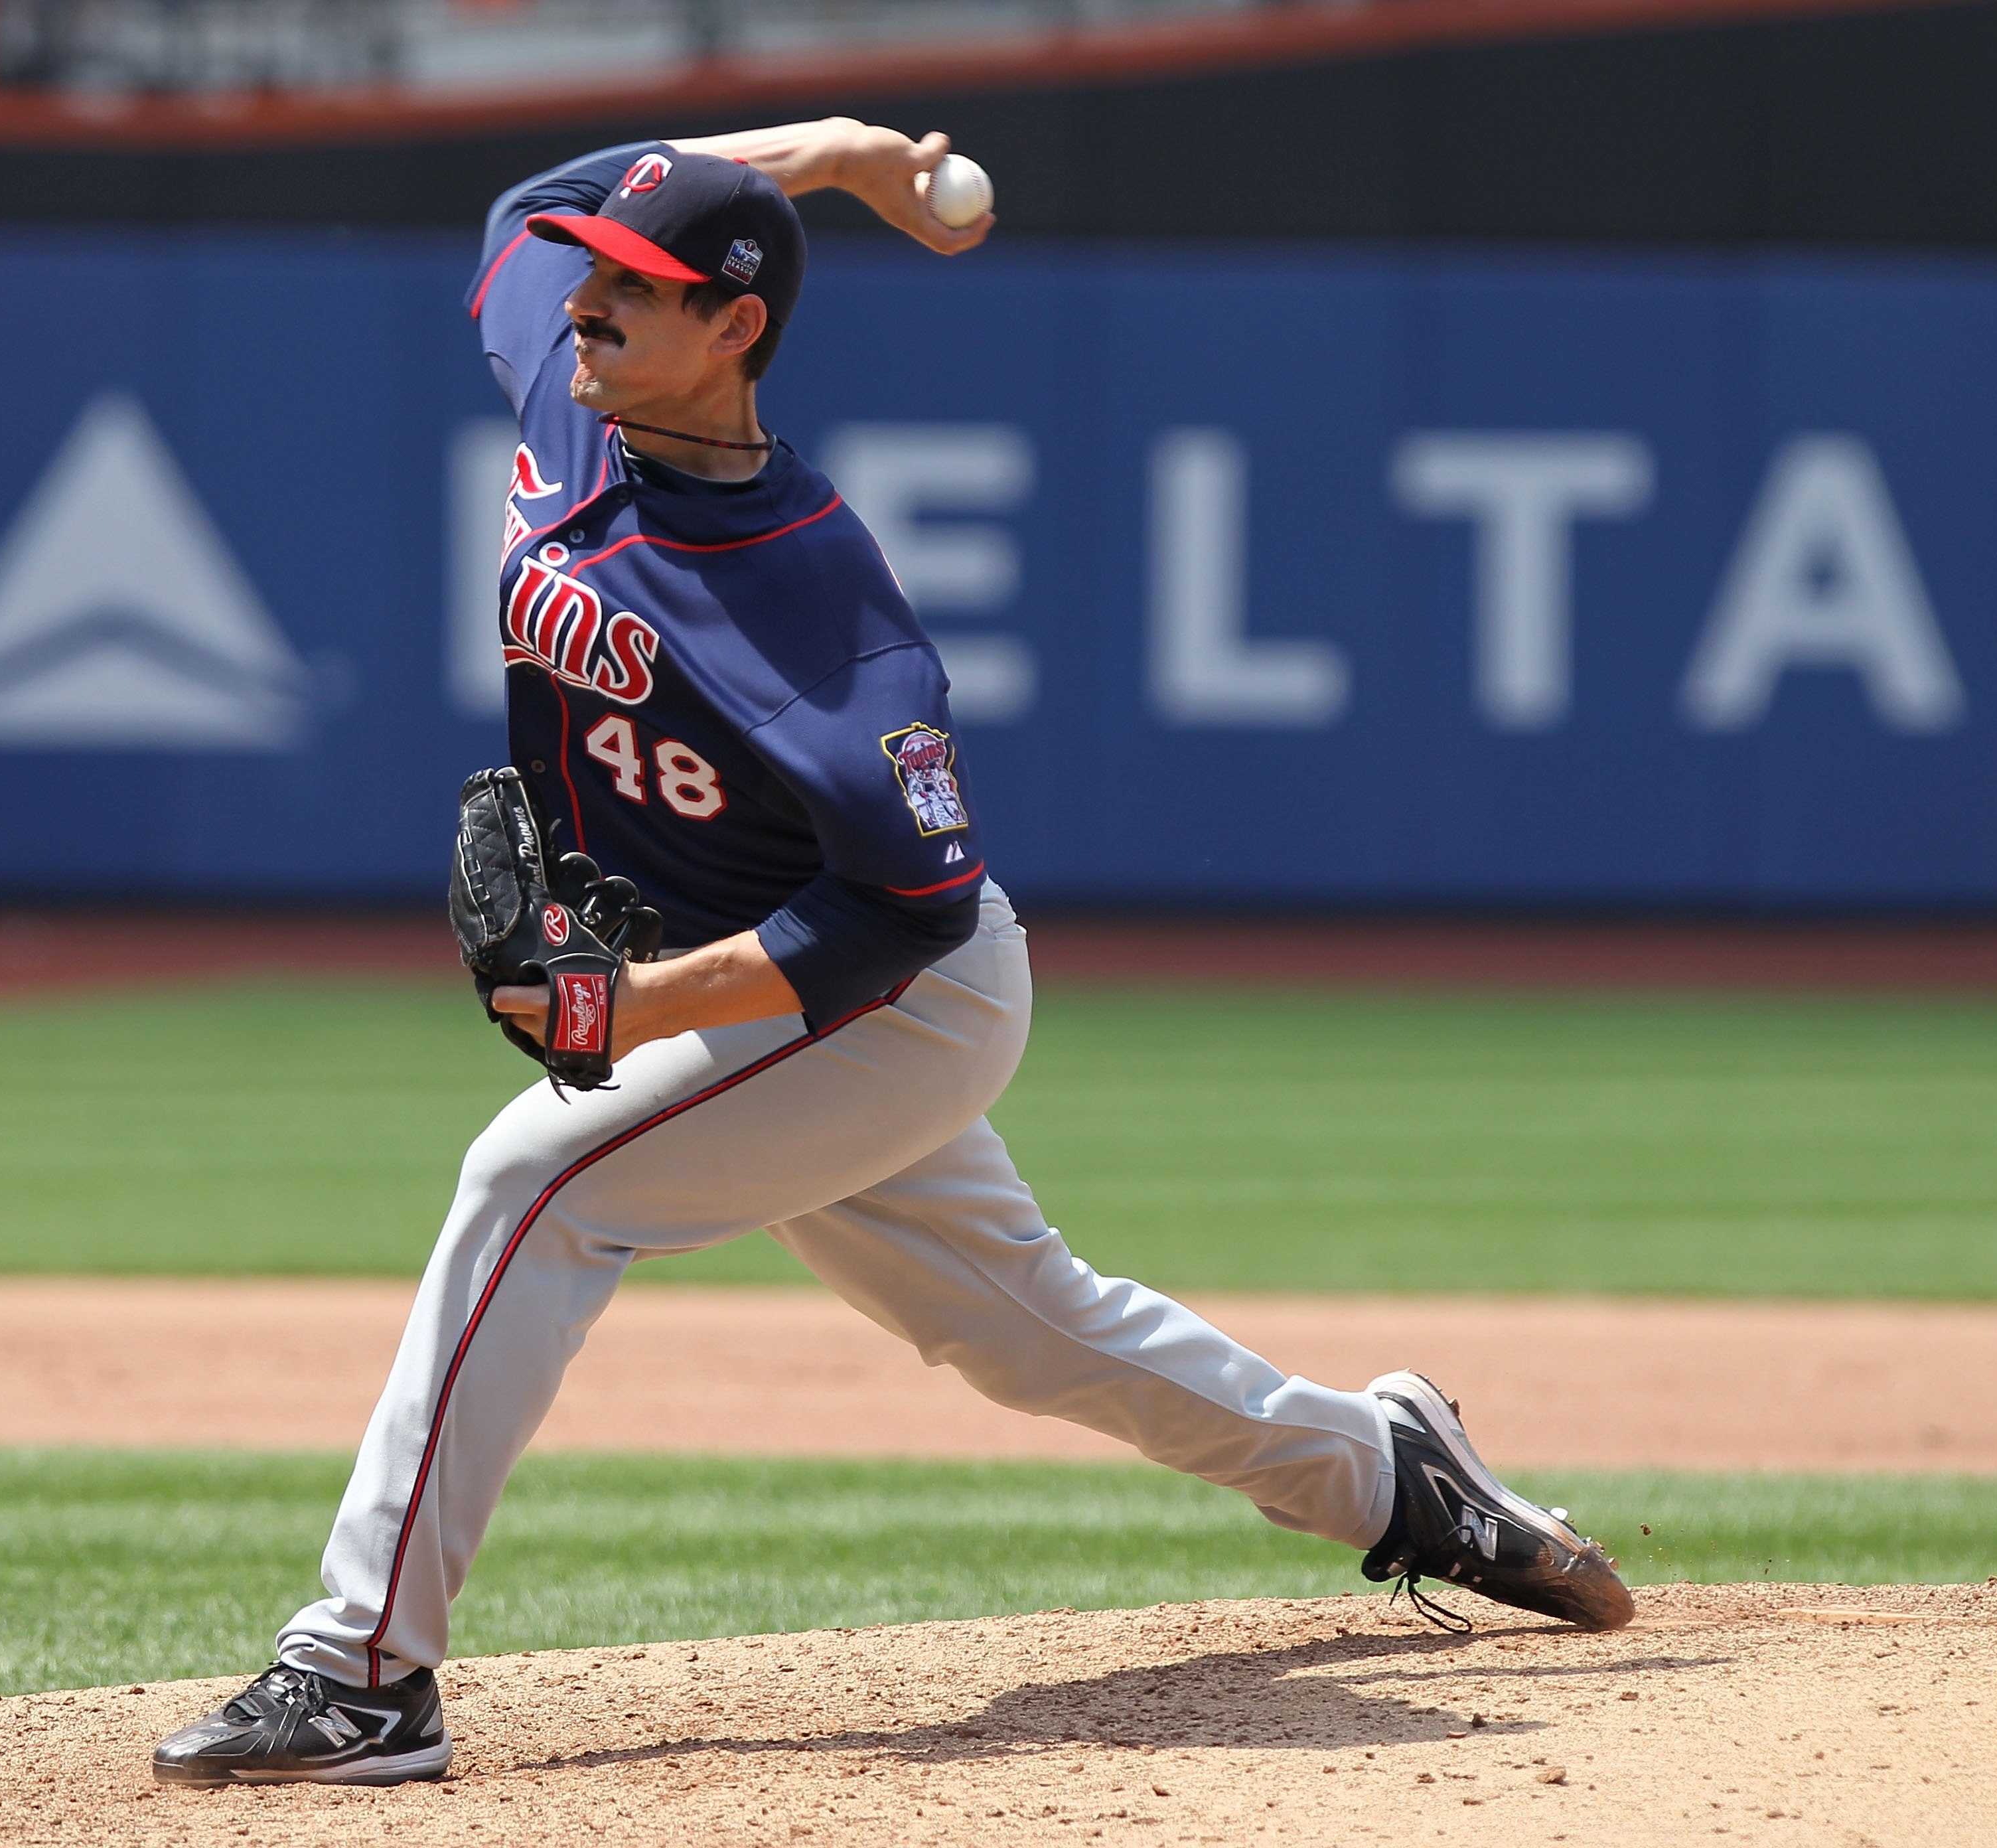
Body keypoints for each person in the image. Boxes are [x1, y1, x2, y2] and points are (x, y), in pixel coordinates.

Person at [151, 117, 1631, 1790]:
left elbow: (905, 906)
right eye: (597, 289)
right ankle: (1391, 1472)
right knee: (1034, 1330)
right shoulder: (578, 397)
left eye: (638, 289)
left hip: (896, 1002)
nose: (588, 306)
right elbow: (533, 206)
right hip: (780, 996)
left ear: (735, 327)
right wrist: (836, 157)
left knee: (532, 1185)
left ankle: (360, 1672)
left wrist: (631, 1007)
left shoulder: (815, 601)